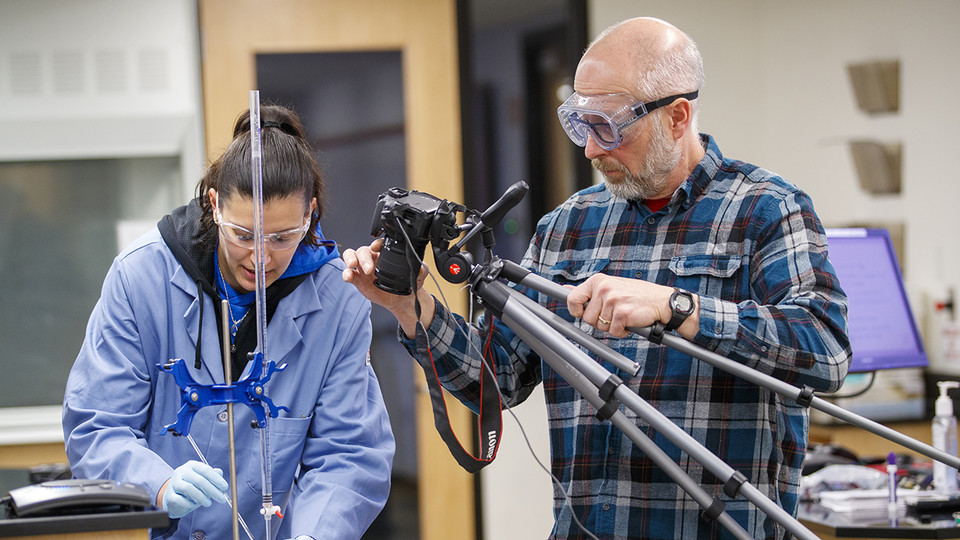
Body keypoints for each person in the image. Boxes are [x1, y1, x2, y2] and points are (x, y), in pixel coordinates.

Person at [342, 16, 850, 540]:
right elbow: (497, 380)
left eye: (608, 126)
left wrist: (678, 308)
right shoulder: (567, 227)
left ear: (677, 117)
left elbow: (827, 351)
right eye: (581, 125)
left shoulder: (765, 211)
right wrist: (412, 308)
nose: (589, 148)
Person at [63, 104, 395, 540]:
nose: (260, 258)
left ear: (310, 213)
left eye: (282, 237)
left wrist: (316, 534)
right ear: (215, 203)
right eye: (243, 235)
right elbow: (97, 423)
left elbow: (349, 454)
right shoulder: (140, 277)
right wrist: (158, 483)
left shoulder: (339, 301)